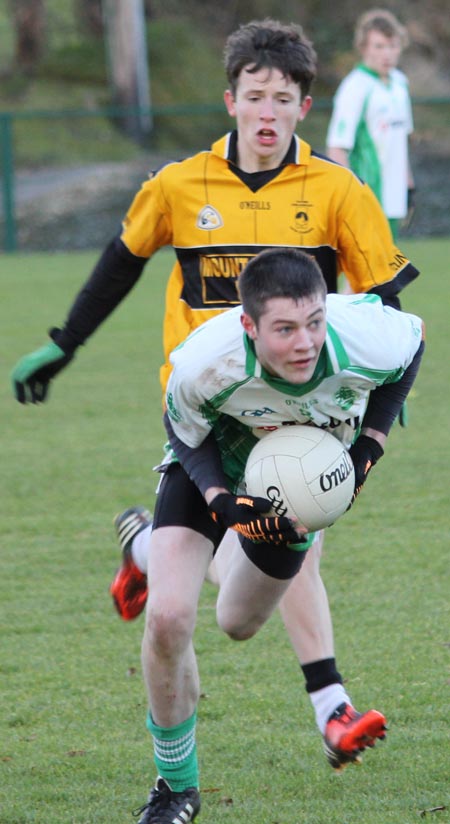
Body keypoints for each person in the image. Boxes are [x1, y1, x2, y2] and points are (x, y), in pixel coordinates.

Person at [11, 19, 421, 816]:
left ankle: (155, 552)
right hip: (201, 423)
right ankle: (188, 779)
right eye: (254, 97)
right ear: (231, 99)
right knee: (171, 615)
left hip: (305, 425)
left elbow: (388, 312)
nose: (268, 113)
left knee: (243, 609)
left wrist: (372, 417)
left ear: (304, 106)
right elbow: (121, 262)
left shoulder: (339, 191)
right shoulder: (180, 185)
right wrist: (65, 342)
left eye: (284, 99)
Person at [139, 247, 423, 820]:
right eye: (285, 329)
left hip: (296, 493)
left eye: (314, 323)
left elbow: (411, 350)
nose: (305, 343)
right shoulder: (205, 362)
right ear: (249, 325)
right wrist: (224, 504)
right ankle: (176, 788)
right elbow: (183, 429)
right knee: (169, 618)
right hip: (214, 464)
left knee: (237, 622)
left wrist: (369, 446)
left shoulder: (368, 335)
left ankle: (145, 546)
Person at [326, 8, 415, 242]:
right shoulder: (355, 87)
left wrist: (408, 185)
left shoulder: (399, 83)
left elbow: (401, 138)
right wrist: (350, 196)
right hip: (367, 194)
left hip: (394, 197)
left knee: (388, 268)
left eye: (392, 45)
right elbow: (337, 147)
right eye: (379, 46)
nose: (387, 53)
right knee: (363, 272)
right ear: (363, 47)